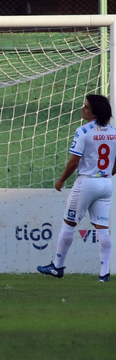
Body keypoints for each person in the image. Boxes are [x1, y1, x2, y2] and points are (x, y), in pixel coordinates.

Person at [38, 94, 114, 282]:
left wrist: (62, 180)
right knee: (102, 229)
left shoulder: (83, 131)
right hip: (106, 183)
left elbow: (74, 161)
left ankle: (57, 266)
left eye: (86, 106)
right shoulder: (114, 131)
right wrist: (106, 174)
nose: (82, 109)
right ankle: (104, 274)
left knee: (69, 224)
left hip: (86, 182)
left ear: (94, 111)